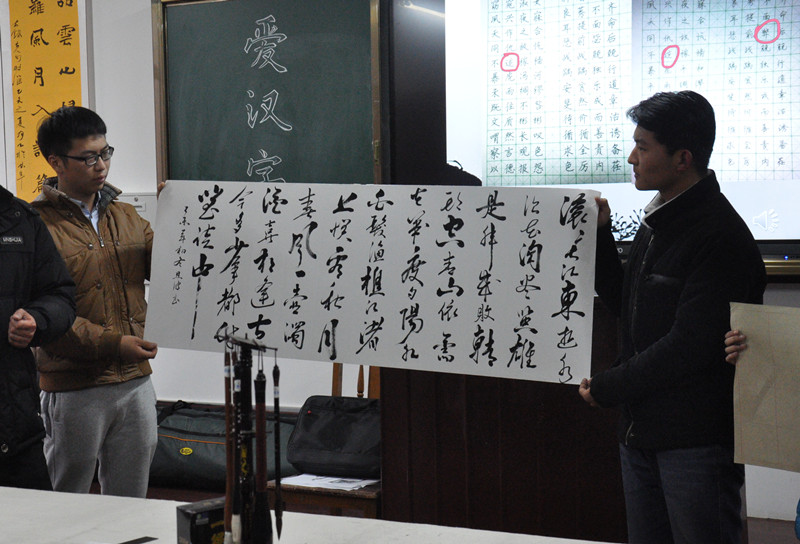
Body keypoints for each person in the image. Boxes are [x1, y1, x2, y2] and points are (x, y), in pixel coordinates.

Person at [578, 91, 767, 543]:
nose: (632, 158)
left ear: (683, 158)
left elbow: (689, 346)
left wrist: (609, 386)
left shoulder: (719, 235)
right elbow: (626, 301)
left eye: (643, 147)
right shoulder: (659, 219)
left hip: (694, 442)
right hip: (641, 432)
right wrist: (601, 237)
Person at [33, 106, 160, 497]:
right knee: (65, 500)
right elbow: (46, 316)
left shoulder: (127, 216)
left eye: (105, 153)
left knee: (131, 502)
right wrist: (114, 344)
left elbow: (175, 272)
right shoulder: (35, 225)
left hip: (136, 382)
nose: (101, 165)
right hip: (74, 388)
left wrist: (182, 217)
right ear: (56, 162)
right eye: (88, 157)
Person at [0, 184, 75, 490]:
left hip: (14, 424)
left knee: (38, 517)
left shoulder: (21, 218)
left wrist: (37, 319)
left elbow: (59, 294)